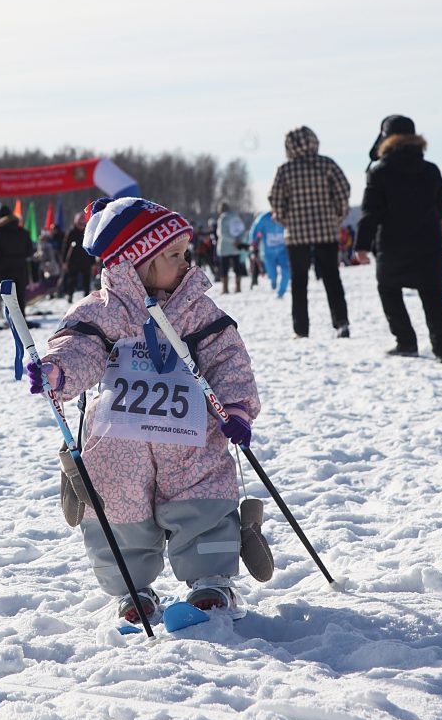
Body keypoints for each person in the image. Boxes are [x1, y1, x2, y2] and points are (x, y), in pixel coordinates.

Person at [26, 196, 264, 623]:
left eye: (184, 253)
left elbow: (227, 356)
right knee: (119, 507)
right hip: (121, 437)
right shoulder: (102, 312)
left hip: (190, 431)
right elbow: (79, 349)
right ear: (136, 261)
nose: (185, 263)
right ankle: (131, 589)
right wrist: (57, 373)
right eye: (173, 255)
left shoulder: (196, 308)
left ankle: (211, 579)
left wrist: (237, 407)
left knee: (201, 497)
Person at [354, 115, 442, 362]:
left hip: (392, 244)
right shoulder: (431, 169)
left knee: (388, 288)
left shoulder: (379, 172)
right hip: (428, 243)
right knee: (432, 293)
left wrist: (362, 246)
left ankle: (406, 341)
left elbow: (370, 212)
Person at [269, 126, 351, 338]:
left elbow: (275, 201)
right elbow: (344, 191)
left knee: (299, 281)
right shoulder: (327, 164)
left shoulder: (285, 170)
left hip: (296, 235)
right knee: (332, 277)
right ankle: (341, 323)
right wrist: (336, 217)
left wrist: (286, 220)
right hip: (326, 231)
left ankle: (301, 329)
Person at [0, 204, 33, 314]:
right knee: (20, 297)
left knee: (7, 297)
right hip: (21, 268)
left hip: (4, 270)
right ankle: (21, 320)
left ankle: (10, 320)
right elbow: (29, 251)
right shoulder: (24, 232)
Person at [248, 211, 290, 298]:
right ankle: (273, 280)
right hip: (269, 252)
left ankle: (281, 292)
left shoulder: (285, 215)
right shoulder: (264, 218)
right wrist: (253, 242)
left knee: (286, 271)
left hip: (283, 251)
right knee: (272, 273)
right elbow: (255, 229)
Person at [61, 212, 94, 302]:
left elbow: (91, 246)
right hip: (73, 261)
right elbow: (66, 247)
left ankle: (87, 296)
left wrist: (93, 262)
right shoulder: (71, 232)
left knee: (86, 279)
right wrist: (64, 261)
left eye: (83, 223)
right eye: (79, 223)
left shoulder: (87, 231)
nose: (81, 225)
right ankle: (70, 295)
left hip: (85, 260)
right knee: (72, 279)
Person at [216, 202, 245, 293]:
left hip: (225, 247)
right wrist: (238, 241)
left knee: (224, 268)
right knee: (237, 267)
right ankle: (238, 287)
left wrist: (232, 241)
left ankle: (225, 289)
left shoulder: (223, 218)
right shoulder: (237, 217)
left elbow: (222, 233)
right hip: (236, 247)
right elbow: (242, 230)